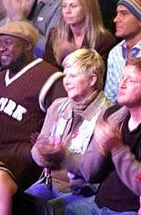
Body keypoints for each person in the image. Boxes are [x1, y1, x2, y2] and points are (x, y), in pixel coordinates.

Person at [66, 57, 141, 215]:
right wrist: (102, 149)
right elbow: (89, 173)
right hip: (99, 201)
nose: (121, 84)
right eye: (122, 77)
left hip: (134, 209)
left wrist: (117, 148)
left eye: (131, 80)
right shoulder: (112, 115)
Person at [0, 21, 66, 190]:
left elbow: (64, 124)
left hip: (25, 170)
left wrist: (45, 141)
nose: (1, 49)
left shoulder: (50, 77)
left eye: (8, 43)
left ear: (28, 45)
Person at [28, 49, 112, 211]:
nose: (66, 81)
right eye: (65, 75)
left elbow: (93, 171)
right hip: (48, 183)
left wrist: (62, 156)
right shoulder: (58, 106)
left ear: (92, 79)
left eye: (72, 76)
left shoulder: (108, 114)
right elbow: (36, 151)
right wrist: (44, 155)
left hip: (84, 193)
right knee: (20, 203)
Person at [43, 0, 115, 69]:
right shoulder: (55, 34)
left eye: (73, 6)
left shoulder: (104, 41)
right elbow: (47, 70)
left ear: (87, 8)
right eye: (64, 6)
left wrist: (73, 56)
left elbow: (97, 77)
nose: (67, 11)